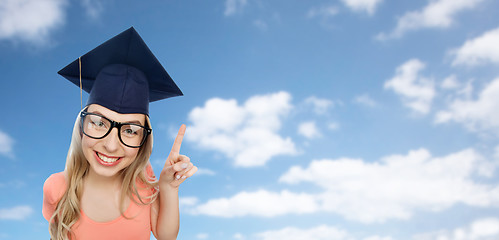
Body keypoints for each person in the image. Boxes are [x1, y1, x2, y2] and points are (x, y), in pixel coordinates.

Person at [42, 27, 197, 240]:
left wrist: (168, 188)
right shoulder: (57, 188)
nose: (112, 145)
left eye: (131, 130)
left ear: (143, 140)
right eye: (98, 123)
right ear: (81, 126)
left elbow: (165, 236)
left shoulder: (143, 180)